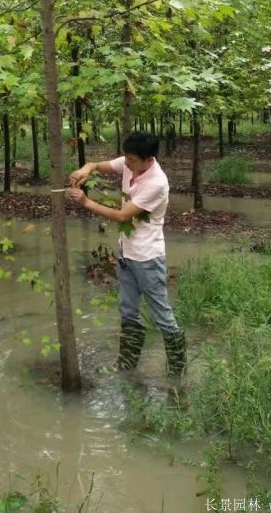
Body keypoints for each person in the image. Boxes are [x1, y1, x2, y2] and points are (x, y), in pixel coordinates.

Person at [69, 131, 186, 384]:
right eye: (127, 158)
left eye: (132, 160)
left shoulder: (156, 183)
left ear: (149, 160)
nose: (126, 163)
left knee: (162, 315)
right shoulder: (130, 163)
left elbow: (124, 216)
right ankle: (127, 367)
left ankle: (177, 375)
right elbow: (102, 165)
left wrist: (86, 203)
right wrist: (87, 168)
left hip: (147, 258)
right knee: (128, 311)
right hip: (126, 252)